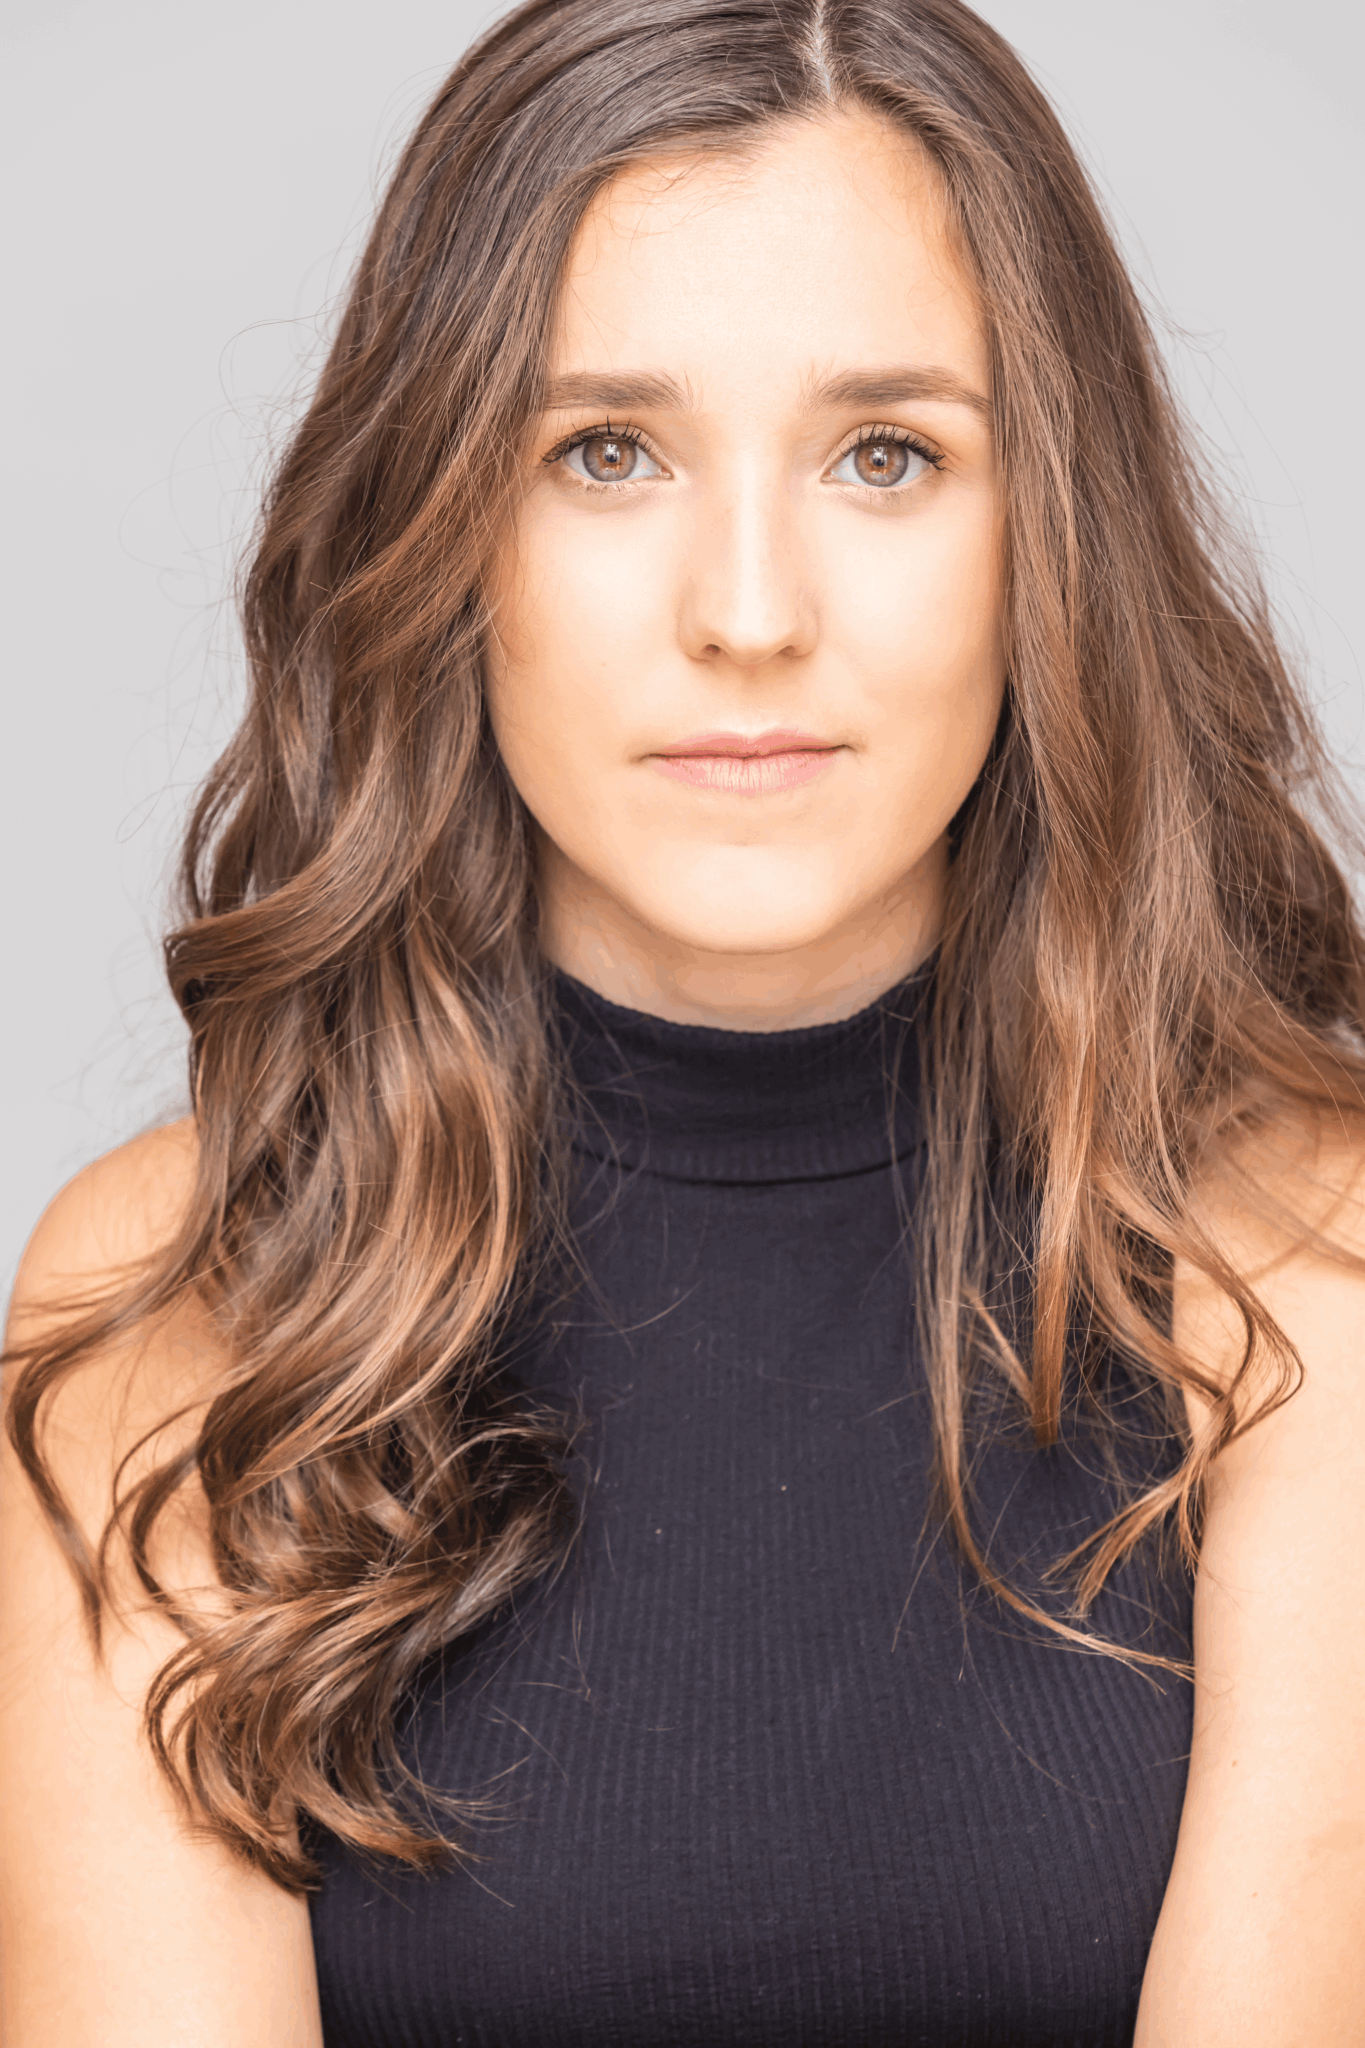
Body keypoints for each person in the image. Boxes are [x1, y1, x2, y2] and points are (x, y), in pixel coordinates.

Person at [3, 0, 1364, 2040]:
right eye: (606, 453)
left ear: (1047, 537)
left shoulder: (1314, 1271)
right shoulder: (181, 1298)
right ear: (447, 531)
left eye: (886, 455)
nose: (746, 611)